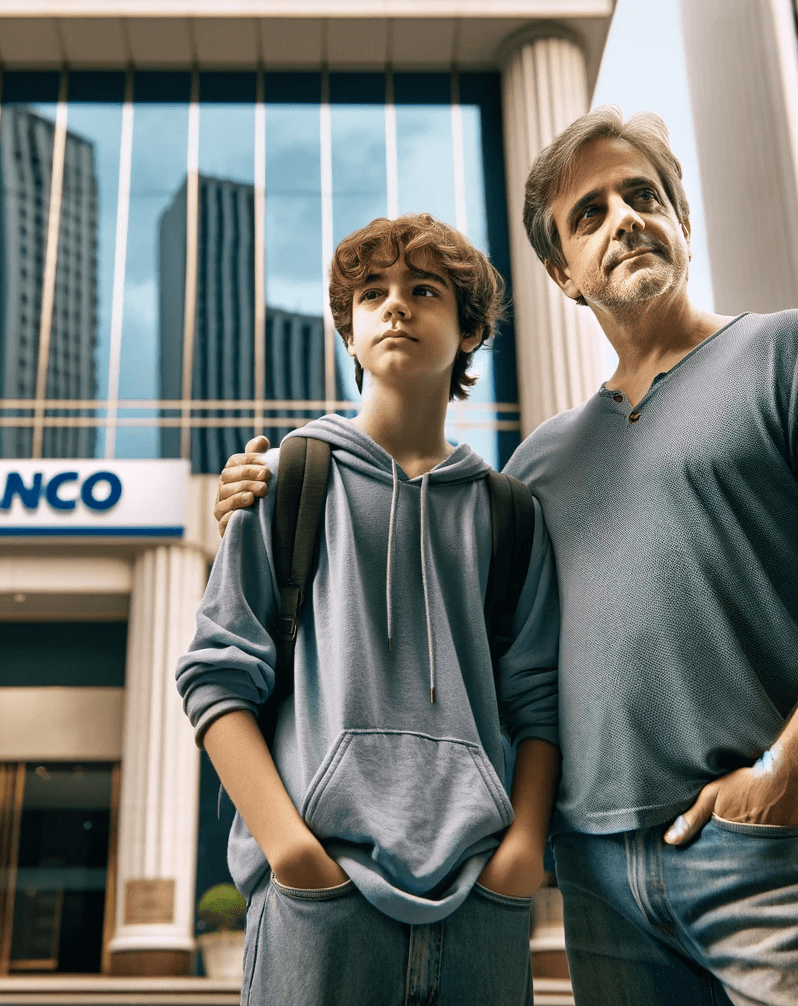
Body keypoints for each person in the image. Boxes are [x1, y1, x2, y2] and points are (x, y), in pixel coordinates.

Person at [214, 107, 798, 1005]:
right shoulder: (538, 468)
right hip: (599, 884)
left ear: (682, 220)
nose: (621, 218)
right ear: (562, 273)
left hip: (763, 846)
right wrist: (257, 491)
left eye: (641, 195)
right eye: (588, 214)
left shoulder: (795, 355)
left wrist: (789, 776)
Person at [176, 213, 560, 1006]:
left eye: (425, 290)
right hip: (319, 907)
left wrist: (520, 856)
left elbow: (539, 702)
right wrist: (292, 853)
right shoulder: (284, 480)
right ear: (348, 333)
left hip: (481, 912)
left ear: (470, 332)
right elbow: (216, 679)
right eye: (373, 292)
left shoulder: (510, 513)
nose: (396, 305)